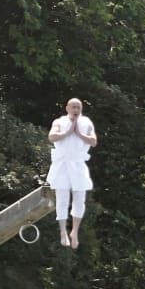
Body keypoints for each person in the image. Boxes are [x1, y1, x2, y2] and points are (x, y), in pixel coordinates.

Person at [47, 97, 97, 250]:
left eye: (78, 107)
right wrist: (69, 132)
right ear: (67, 108)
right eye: (73, 107)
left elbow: (93, 141)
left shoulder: (87, 123)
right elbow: (51, 137)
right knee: (62, 199)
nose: (76, 110)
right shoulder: (59, 122)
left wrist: (79, 133)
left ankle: (74, 231)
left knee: (79, 199)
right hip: (62, 164)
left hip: (78, 164)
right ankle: (63, 231)